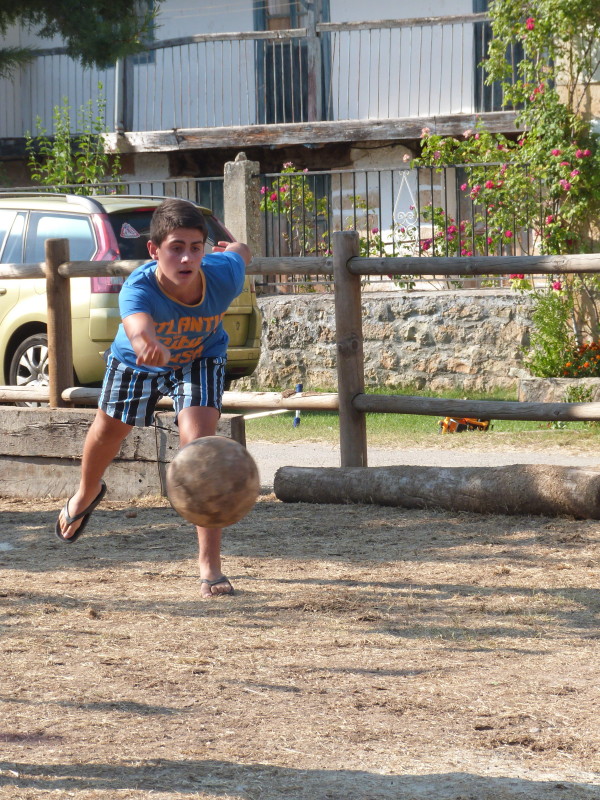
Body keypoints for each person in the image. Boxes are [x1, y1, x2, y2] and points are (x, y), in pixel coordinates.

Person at [55, 198, 251, 599]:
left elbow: (240, 253)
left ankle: (210, 566)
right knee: (108, 432)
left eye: (195, 247)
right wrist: (147, 342)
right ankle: (87, 491)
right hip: (137, 360)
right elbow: (137, 325)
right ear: (154, 250)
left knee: (200, 449)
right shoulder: (139, 287)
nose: (187, 258)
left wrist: (233, 250)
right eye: (176, 248)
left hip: (199, 357)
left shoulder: (222, 275)